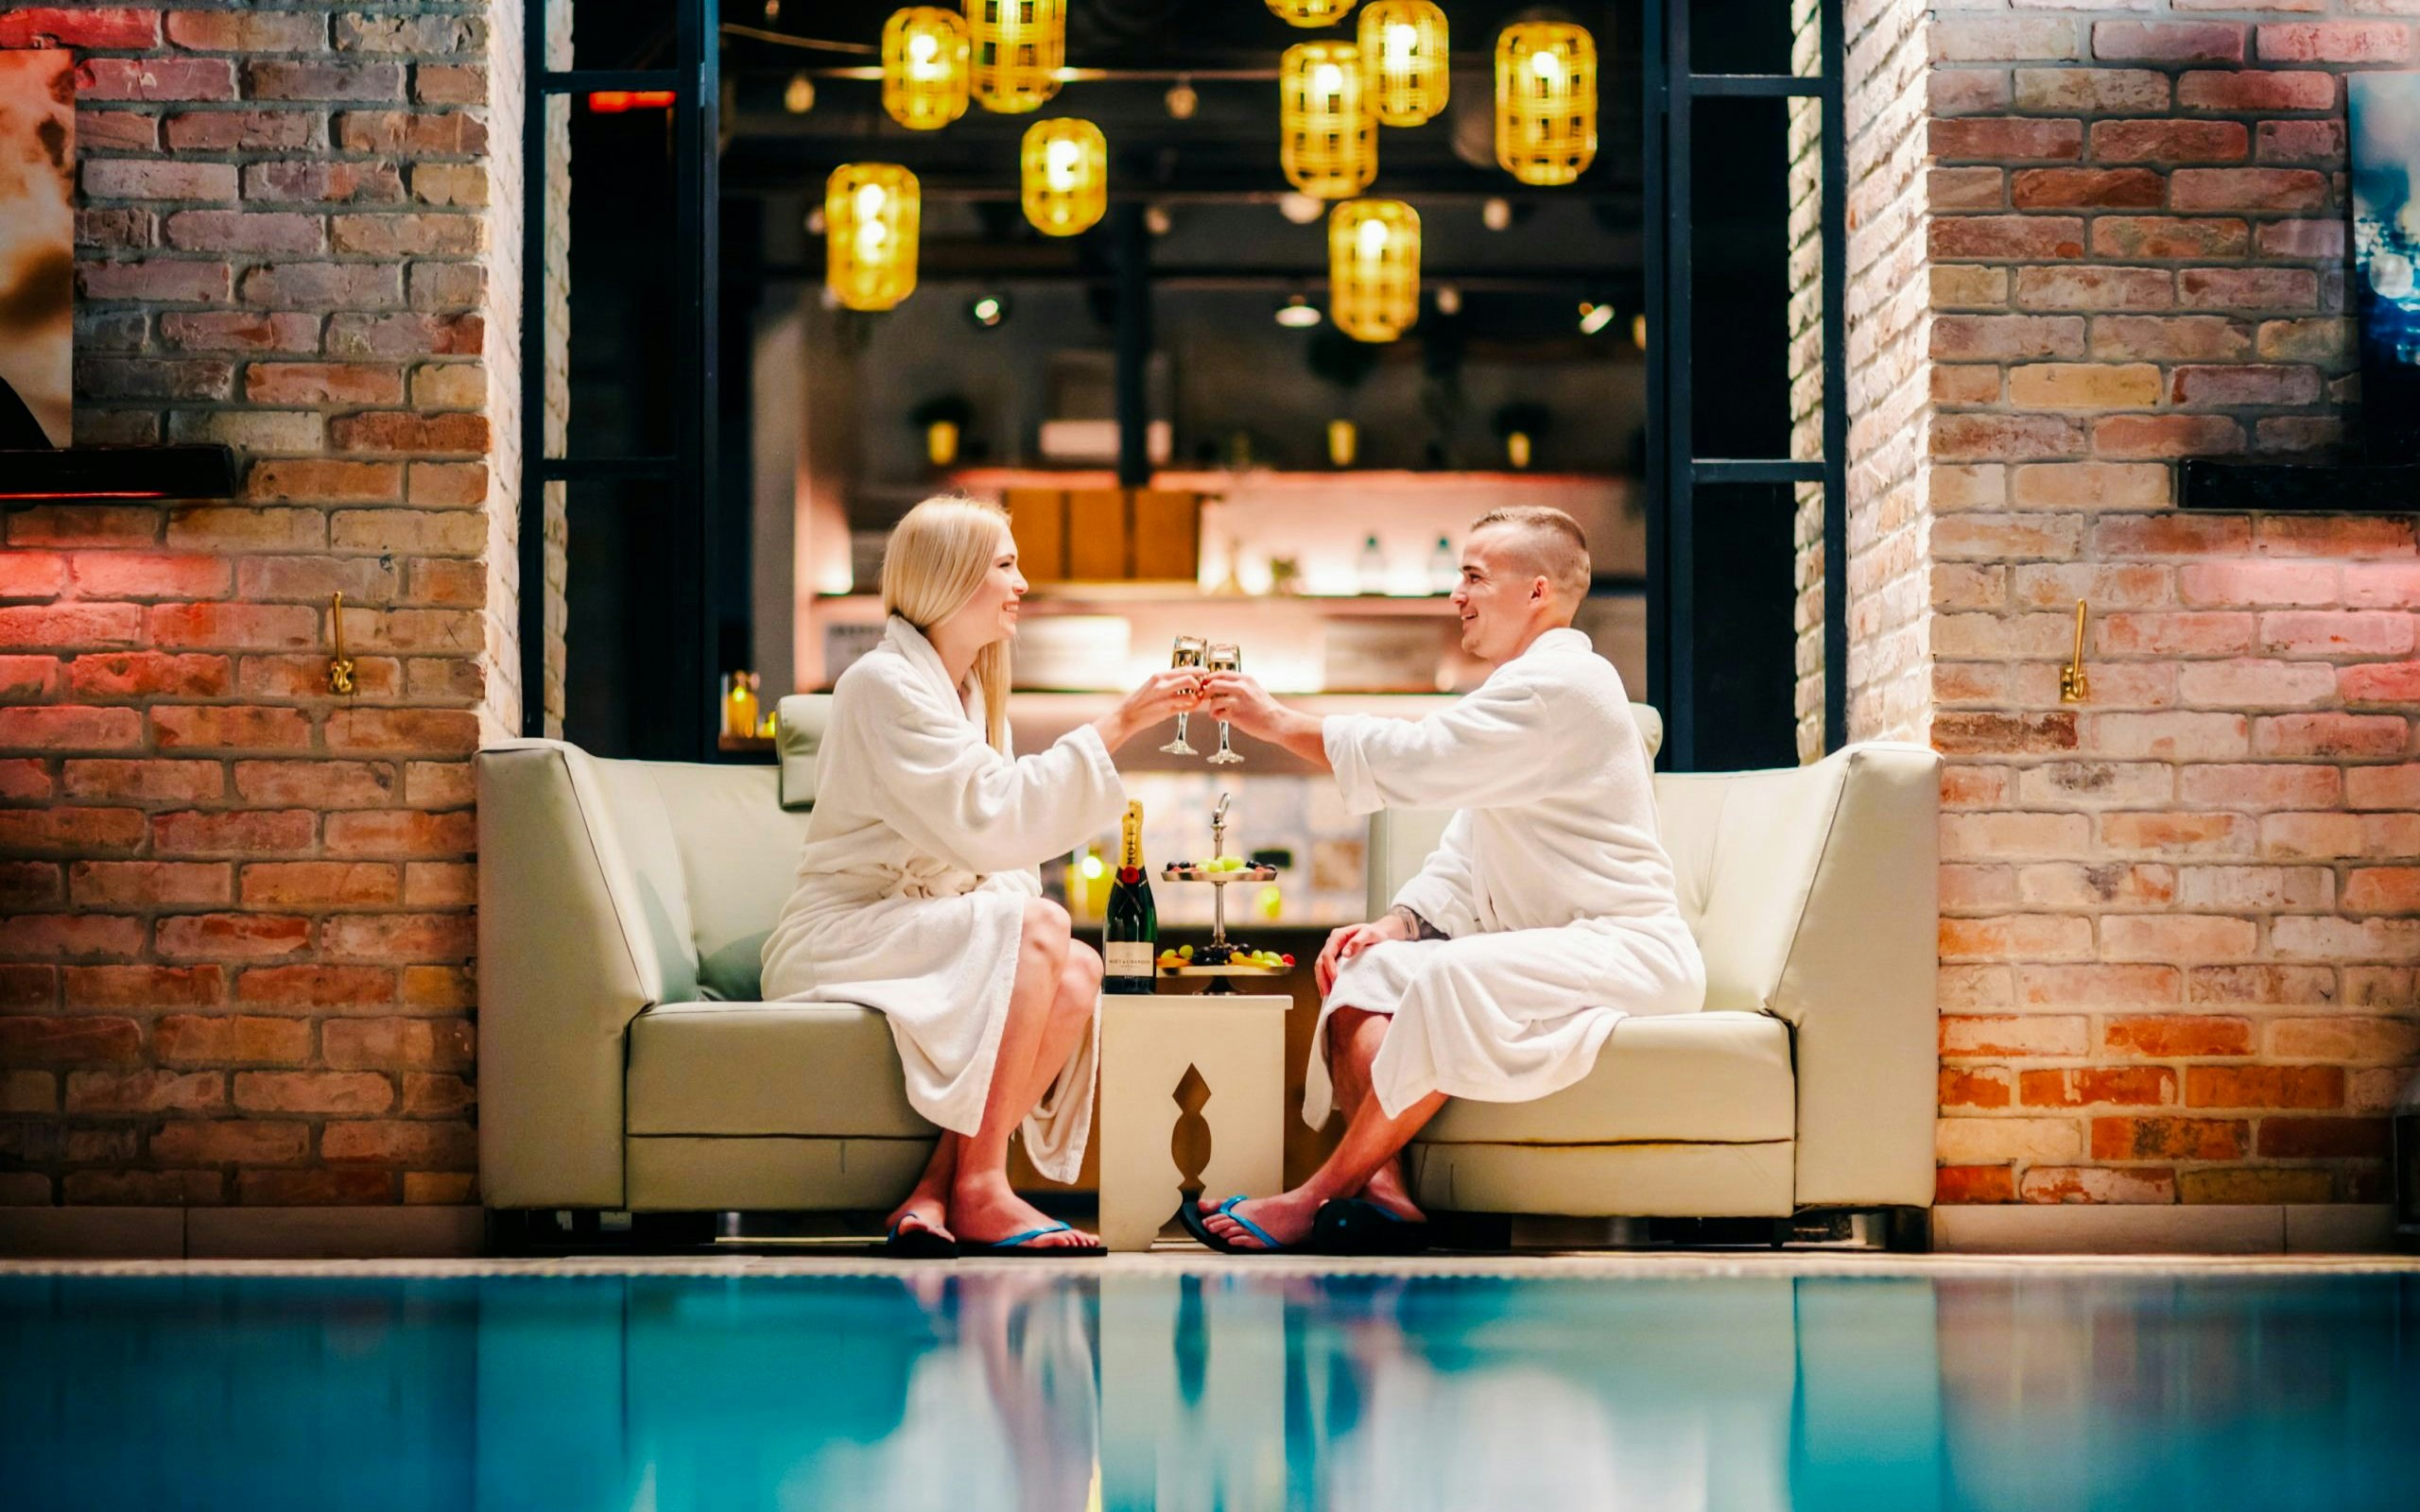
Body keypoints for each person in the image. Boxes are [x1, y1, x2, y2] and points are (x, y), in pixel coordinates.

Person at [1189, 506, 1706, 1252]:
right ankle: (1388, 1195)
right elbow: (1468, 848)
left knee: (1450, 976)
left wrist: (1274, 720)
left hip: (1628, 953)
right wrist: (1395, 926)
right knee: (1369, 974)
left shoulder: (1564, 684)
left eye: (1472, 578)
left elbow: (1422, 757)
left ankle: (1313, 1196)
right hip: (1551, 952)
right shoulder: (1525, 690)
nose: (1455, 598)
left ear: (1536, 592)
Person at [761, 496, 1201, 1254]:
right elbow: (992, 815)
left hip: (914, 926)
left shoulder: (969, 692)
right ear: (952, 577)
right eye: (1005, 565)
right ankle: (986, 1186)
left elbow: (998, 848)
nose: (1022, 583)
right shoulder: (881, 684)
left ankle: (943, 1188)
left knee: (1077, 972)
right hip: (846, 932)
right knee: (1044, 926)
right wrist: (1121, 722)